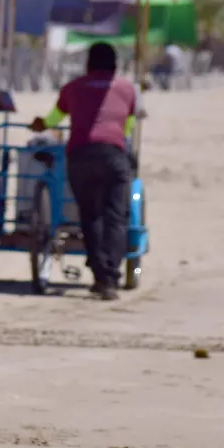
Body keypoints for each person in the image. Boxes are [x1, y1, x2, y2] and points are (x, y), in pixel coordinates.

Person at [31, 42, 142, 300]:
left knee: (90, 216)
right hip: (113, 155)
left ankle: (101, 276)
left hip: (80, 154)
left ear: (88, 64)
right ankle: (110, 277)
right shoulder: (128, 89)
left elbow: (54, 119)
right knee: (116, 216)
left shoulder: (73, 87)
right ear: (115, 64)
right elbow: (128, 125)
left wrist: (40, 124)